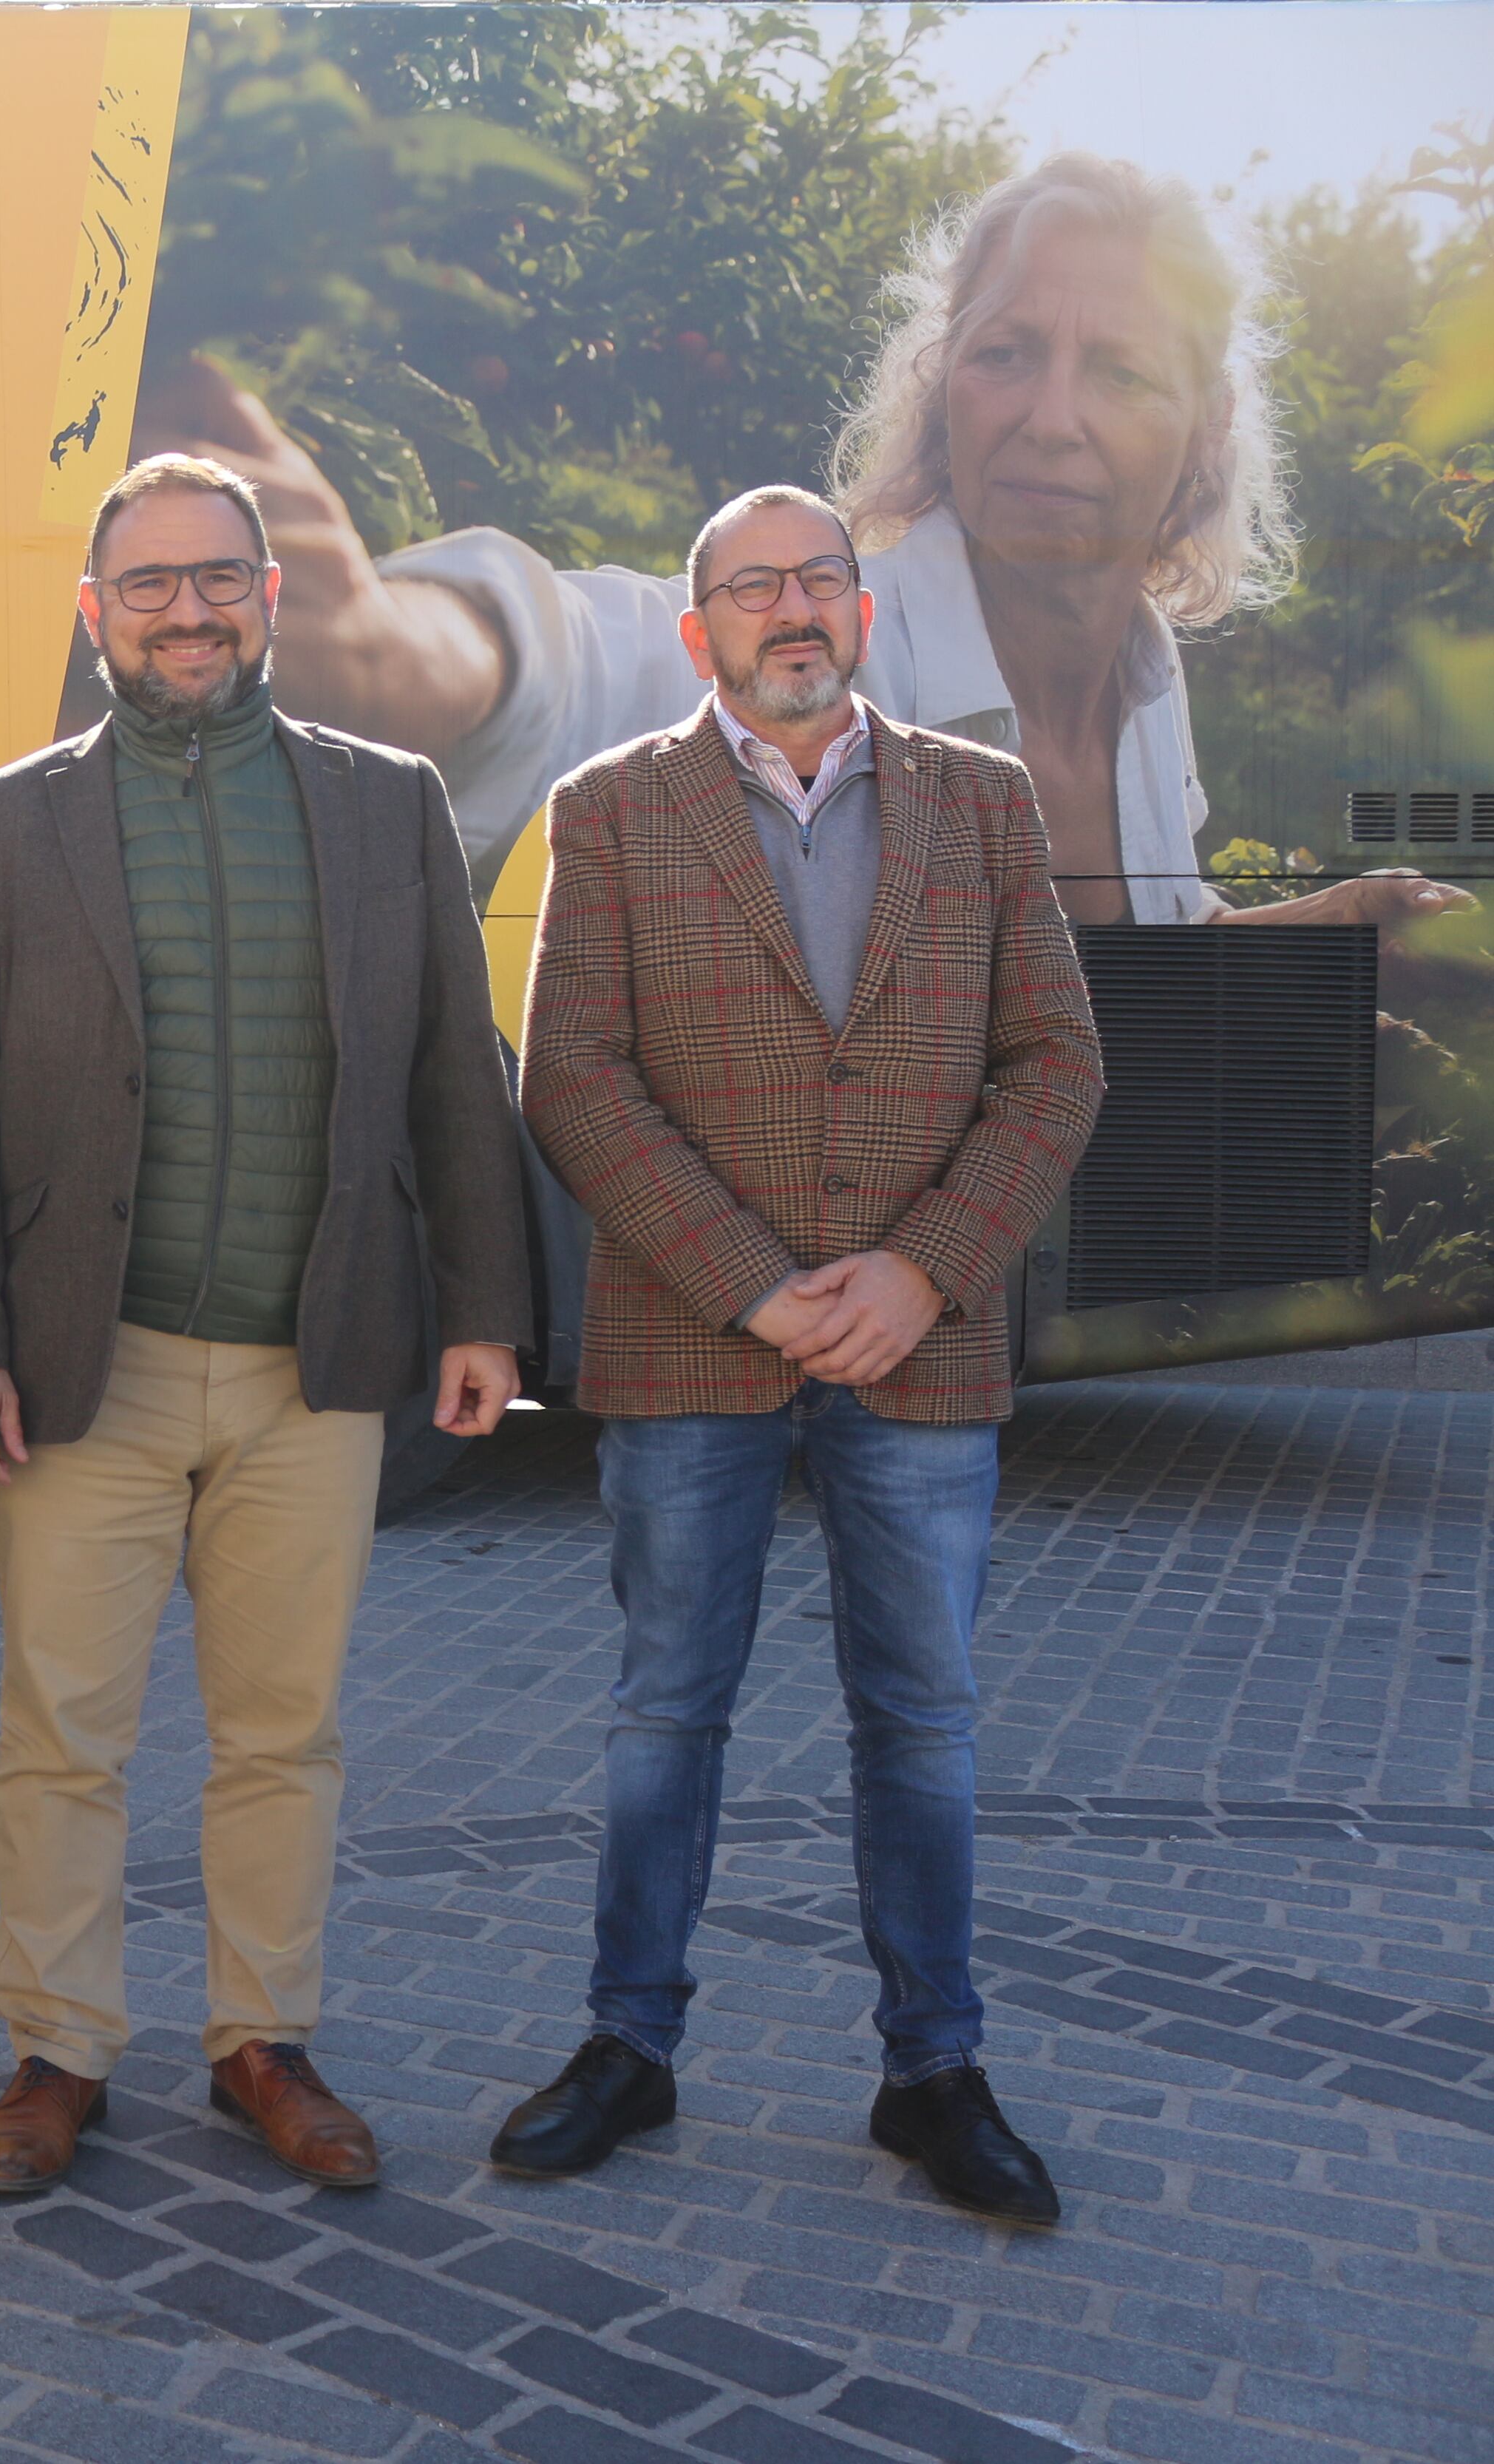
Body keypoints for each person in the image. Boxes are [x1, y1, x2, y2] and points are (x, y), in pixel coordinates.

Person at [0, 455, 534, 2196]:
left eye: (216, 578)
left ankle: (263, 2036)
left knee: (282, 1728)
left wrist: (482, 1307)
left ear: (269, 592)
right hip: (75, 1369)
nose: (185, 610)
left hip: (312, 1359)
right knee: (63, 1730)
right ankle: (57, 2046)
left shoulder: (387, 800)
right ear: (92, 609)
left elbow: (449, 1081)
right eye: (147, 584)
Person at [497, 484, 1106, 2223]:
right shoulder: (608, 810)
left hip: (921, 1351)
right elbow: (574, 1078)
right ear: (695, 634)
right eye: (751, 586)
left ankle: (934, 2070)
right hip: (695, 1346)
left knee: (919, 1721)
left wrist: (919, 1271)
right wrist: (760, 1287)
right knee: (662, 1713)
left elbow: (1056, 1065)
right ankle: (627, 2043)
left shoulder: (983, 808)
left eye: (819, 577)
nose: (791, 607)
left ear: (861, 610)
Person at [137, 153, 1470, 929]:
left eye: (1119, 373)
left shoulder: (1145, 687)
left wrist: (1300, 935)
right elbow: (588, 656)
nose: (1053, 418)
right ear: (948, 390)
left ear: (1206, 426)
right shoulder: (818, 637)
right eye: (1009, 353)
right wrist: (397, 646)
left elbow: (1122, 963)